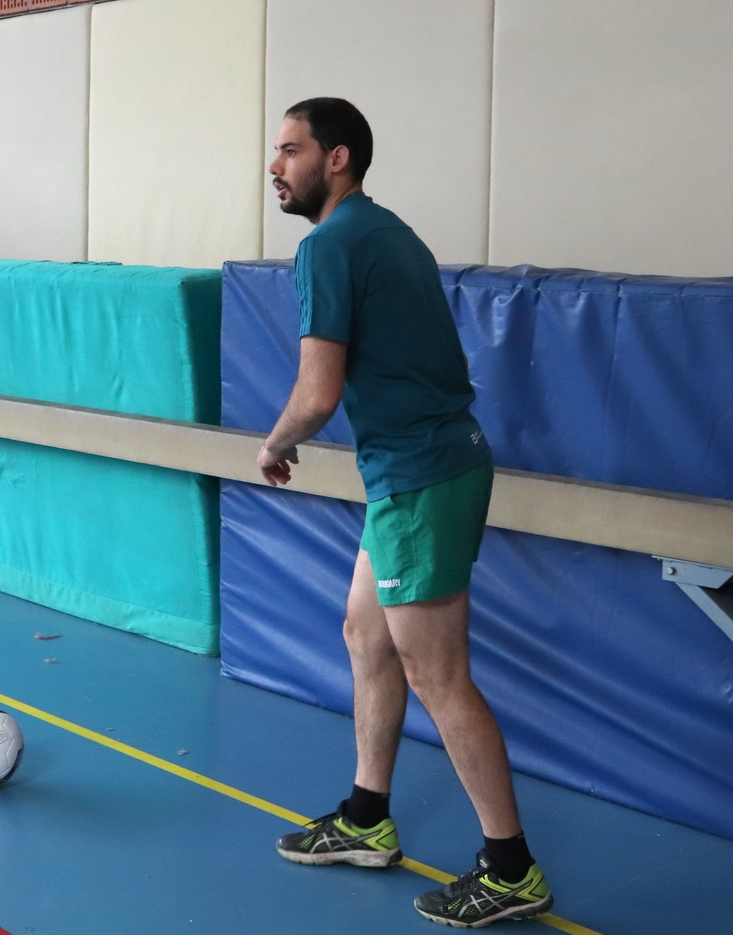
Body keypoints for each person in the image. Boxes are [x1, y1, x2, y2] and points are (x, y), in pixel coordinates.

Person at [258, 97, 553, 928]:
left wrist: (275, 442)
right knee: (367, 634)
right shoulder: (390, 232)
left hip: (420, 480)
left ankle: (511, 868)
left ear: (337, 158)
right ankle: (366, 817)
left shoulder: (328, 245)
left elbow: (317, 394)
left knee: (438, 674)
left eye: (290, 150)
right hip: (413, 472)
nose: (275, 167)